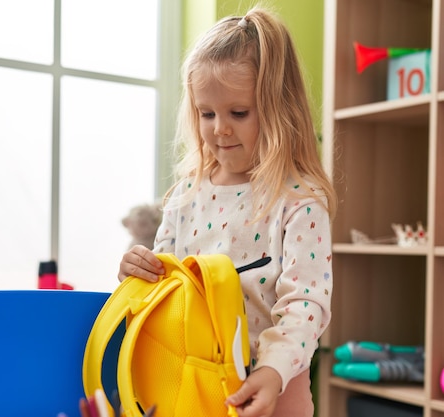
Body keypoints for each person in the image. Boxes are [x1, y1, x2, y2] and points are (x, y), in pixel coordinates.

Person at [117, 5, 337, 417]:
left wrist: (272, 372)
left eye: (238, 113)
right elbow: (163, 291)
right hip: (191, 386)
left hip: (273, 389)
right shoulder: (184, 196)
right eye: (206, 113)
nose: (220, 128)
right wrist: (137, 273)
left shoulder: (299, 202)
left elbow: (306, 305)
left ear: (279, 109)